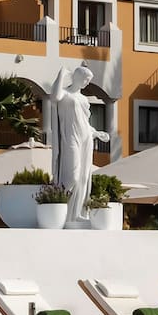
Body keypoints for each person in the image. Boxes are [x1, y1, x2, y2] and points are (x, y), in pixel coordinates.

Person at [47, 67, 109, 224]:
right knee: (73, 176)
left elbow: (85, 122)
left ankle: (75, 214)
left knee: (83, 177)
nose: (87, 83)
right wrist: (61, 74)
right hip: (70, 138)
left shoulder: (83, 99)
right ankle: (58, 205)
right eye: (86, 78)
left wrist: (96, 133)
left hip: (86, 138)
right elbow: (54, 97)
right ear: (77, 76)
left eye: (89, 80)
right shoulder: (65, 94)